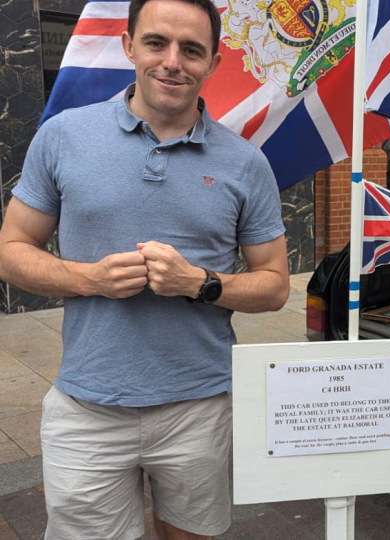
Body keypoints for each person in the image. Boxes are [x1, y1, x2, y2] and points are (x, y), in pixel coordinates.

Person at [0, 0, 290, 538]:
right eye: (157, 43)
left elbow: (274, 285)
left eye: (192, 50)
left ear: (213, 63)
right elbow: (11, 248)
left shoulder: (246, 163)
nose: (173, 62)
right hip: (88, 404)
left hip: (200, 405)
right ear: (129, 45)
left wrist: (200, 284)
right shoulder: (64, 135)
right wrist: (88, 279)